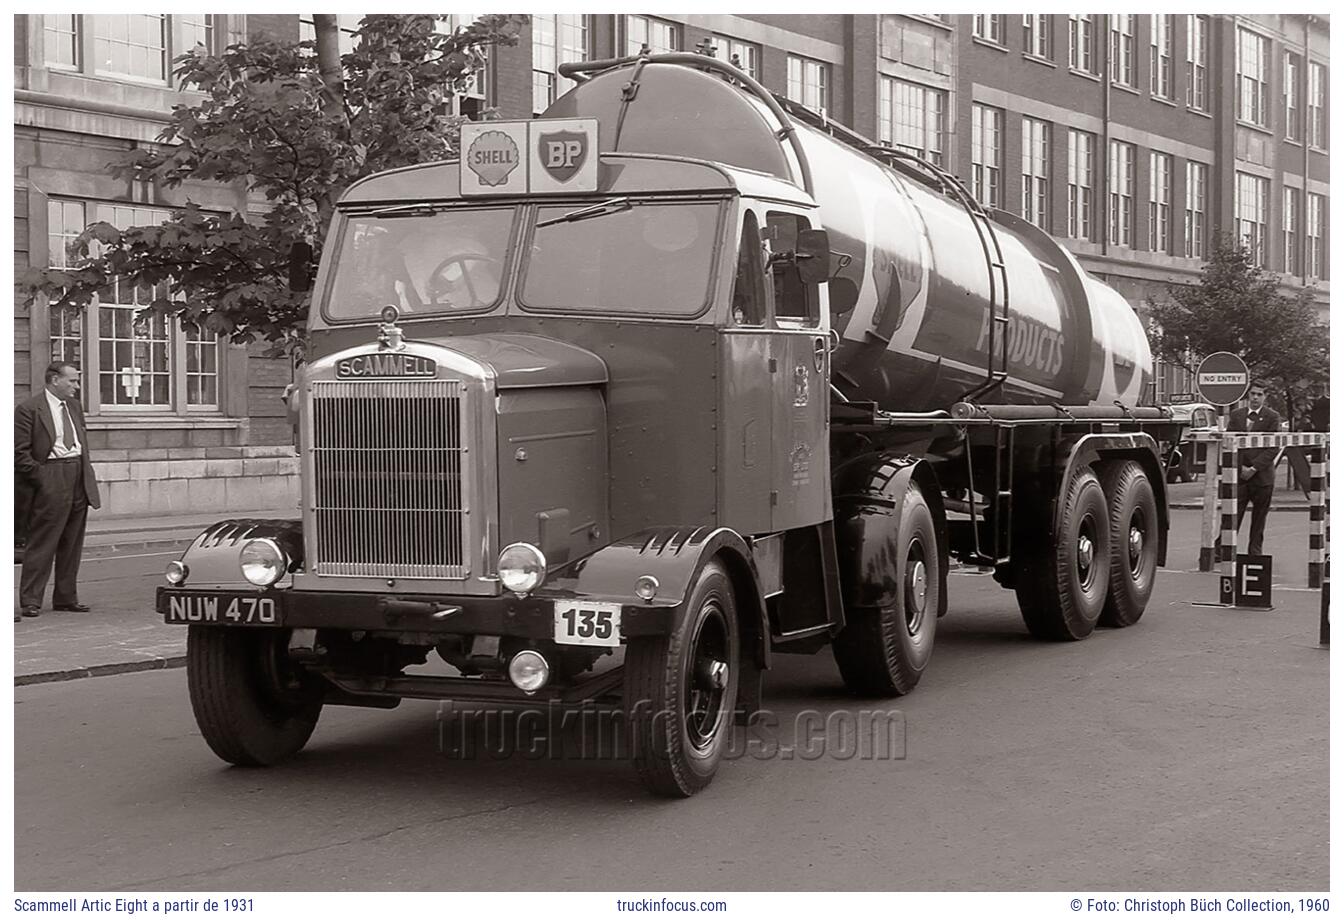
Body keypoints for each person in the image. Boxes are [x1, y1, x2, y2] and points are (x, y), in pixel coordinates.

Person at [14, 361, 101, 621]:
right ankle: (30, 600)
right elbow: (19, 453)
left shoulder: (73, 407)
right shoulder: (29, 409)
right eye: (72, 381)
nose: (76, 386)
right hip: (51, 474)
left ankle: (65, 597)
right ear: (54, 380)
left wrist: (85, 475)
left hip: (77, 475)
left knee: (72, 542)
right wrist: (44, 478)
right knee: (43, 542)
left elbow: (81, 443)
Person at [1226, 380, 1282, 557]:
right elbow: (1229, 441)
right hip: (1240, 474)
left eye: (1259, 394)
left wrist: (1254, 468)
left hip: (1262, 477)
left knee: (1259, 517)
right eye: (1253, 394)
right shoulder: (1236, 415)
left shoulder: (1272, 417)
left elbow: (1273, 446)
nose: (1255, 397)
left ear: (1265, 397)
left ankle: (1255, 551)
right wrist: (1241, 466)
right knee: (1233, 513)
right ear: (1248, 395)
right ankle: (1223, 548)